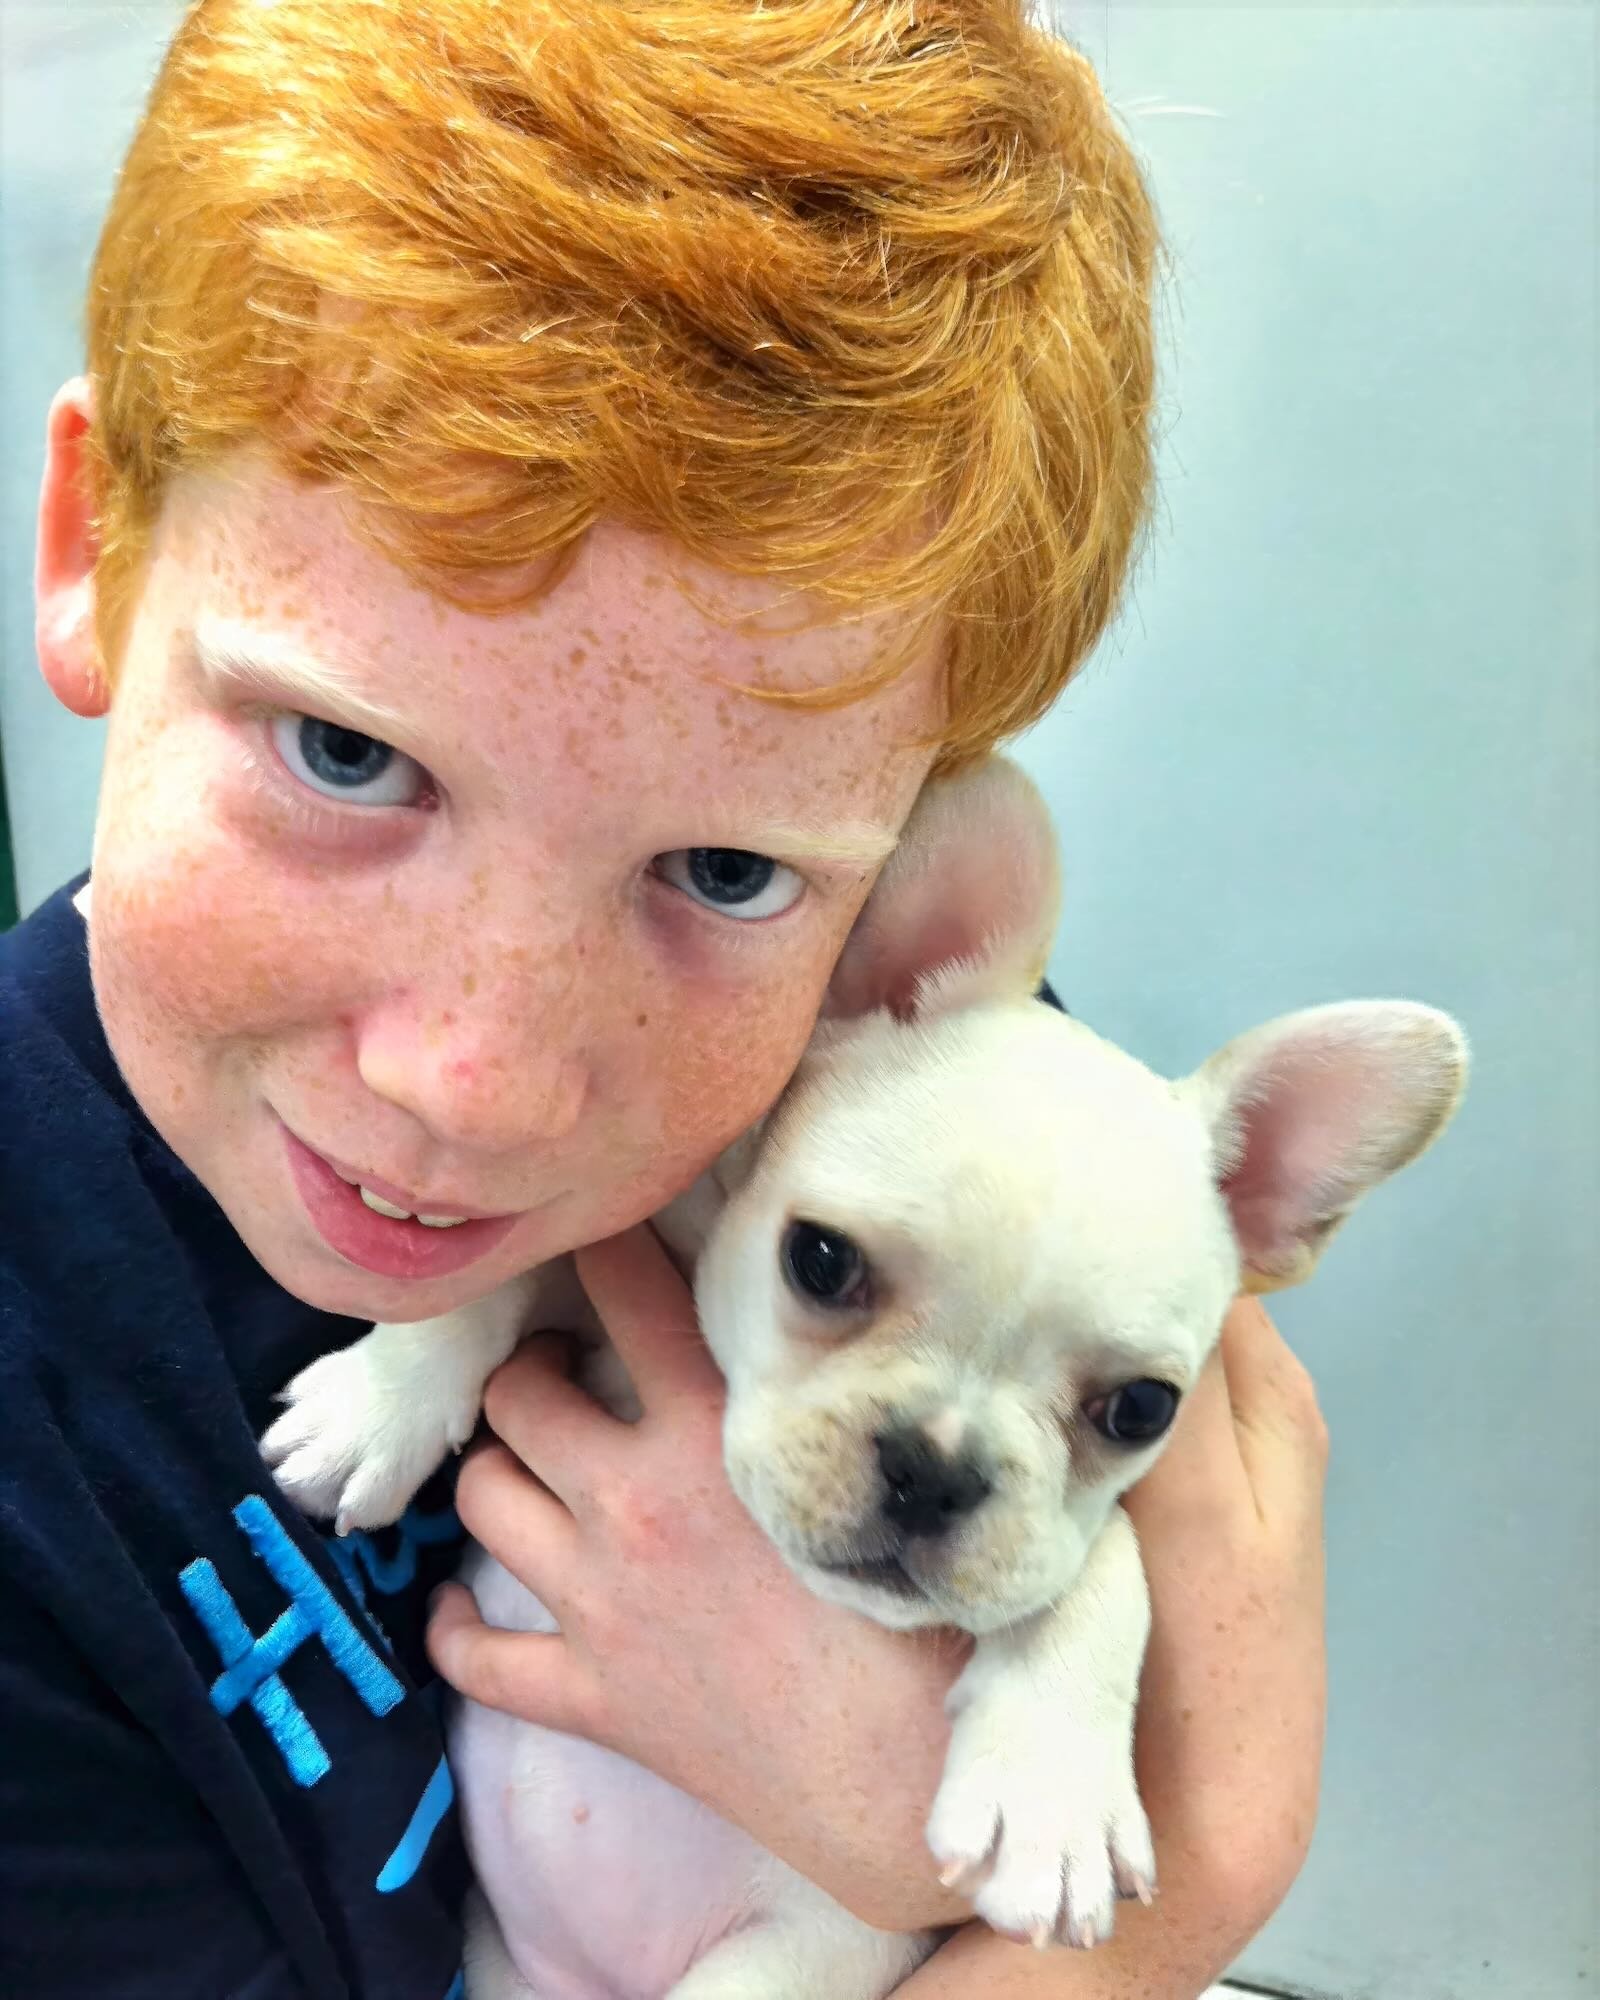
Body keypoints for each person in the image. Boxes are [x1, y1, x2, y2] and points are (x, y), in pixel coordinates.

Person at [0, 2, 1328, 1995]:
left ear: (891, 891)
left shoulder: (897, 1064)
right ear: (96, 548)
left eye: (721, 870)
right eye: (343, 754)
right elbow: (1194, 1794)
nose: (479, 1078)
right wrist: (1171, 1906)